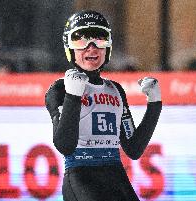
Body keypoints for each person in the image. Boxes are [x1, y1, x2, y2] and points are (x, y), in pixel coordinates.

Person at [45, 10, 162, 201]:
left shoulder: (115, 89)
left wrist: (154, 104)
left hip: (115, 175)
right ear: (69, 47)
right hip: (82, 177)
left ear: (108, 47)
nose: (91, 48)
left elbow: (133, 148)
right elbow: (65, 145)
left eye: (100, 40)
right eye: (81, 41)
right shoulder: (60, 89)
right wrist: (73, 96)